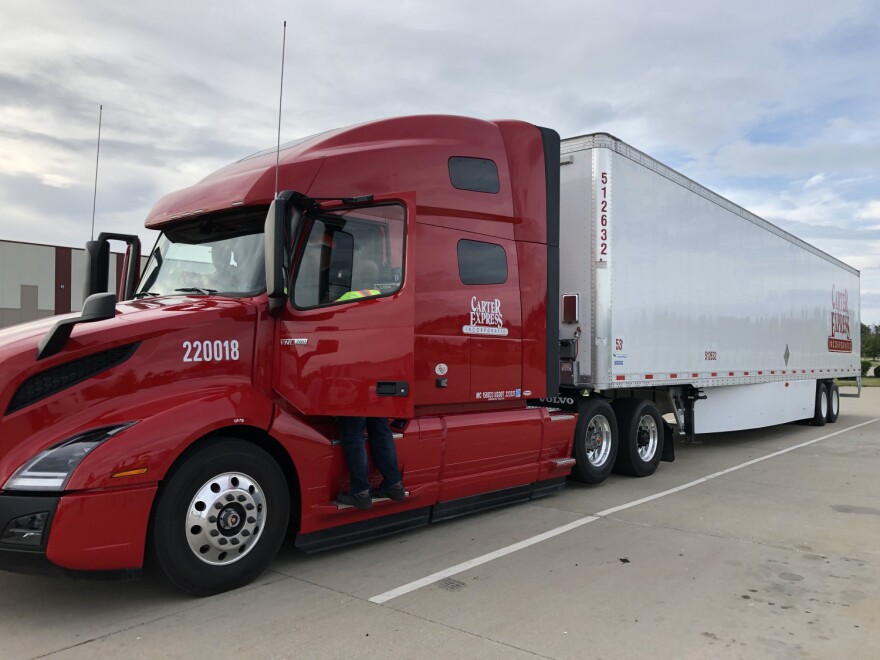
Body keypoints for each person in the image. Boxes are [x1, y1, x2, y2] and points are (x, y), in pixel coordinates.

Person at [337, 417, 406, 510]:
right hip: (379, 402)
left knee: (354, 435)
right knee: (381, 431)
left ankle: (360, 492)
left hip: (355, 403)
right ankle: (394, 485)